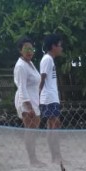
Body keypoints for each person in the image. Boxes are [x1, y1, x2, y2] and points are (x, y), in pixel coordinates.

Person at [13, 36, 44, 167]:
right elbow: (22, 87)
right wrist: (29, 107)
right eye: (26, 48)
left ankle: (34, 158)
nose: (29, 51)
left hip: (34, 101)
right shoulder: (21, 66)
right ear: (20, 50)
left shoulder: (29, 64)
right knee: (30, 131)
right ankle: (33, 160)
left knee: (34, 131)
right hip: (26, 103)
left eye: (31, 49)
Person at [39, 33, 63, 163]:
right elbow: (42, 79)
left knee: (54, 125)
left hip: (51, 97)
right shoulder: (47, 59)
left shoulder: (49, 60)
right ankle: (55, 156)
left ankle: (56, 155)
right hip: (49, 98)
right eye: (59, 45)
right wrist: (38, 96)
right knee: (53, 126)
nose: (61, 48)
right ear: (53, 46)